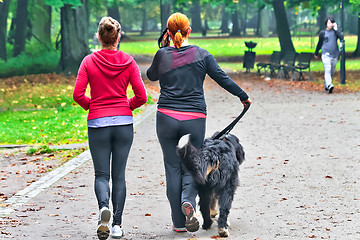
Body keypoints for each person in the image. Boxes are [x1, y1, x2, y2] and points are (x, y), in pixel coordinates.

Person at [146, 12, 251, 233]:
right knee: (193, 168)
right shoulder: (201, 55)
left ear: (168, 31)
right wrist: (243, 96)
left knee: (172, 167)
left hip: (166, 117)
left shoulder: (162, 54)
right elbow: (222, 77)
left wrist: (164, 50)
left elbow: (151, 75)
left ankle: (178, 222)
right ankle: (189, 203)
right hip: (194, 118)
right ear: (189, 31)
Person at [73, 17, 147, 239]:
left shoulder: (88, 61)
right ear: (118, 37)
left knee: (101, 175)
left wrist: (93, 107)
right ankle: (116, 225)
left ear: (99, 37)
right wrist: (127, 106)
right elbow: (141, 96)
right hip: (123, 124)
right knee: (120, 176)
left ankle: (103, 209)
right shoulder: (128, 61)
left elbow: (78, 94)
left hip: (98, 124)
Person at [314, 16, 344, 93]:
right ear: (326, 24)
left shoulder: (335, 32)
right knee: (327, 69)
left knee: (331, 71)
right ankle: (330, 84)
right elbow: (319, 43)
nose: (330, 24)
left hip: (334, 54)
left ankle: (326, 85)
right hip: (325, 54)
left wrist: (336, 29)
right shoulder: (322, 33)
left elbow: (341, 38)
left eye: (331, 22)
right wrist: (316, 52)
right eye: (328, 22)